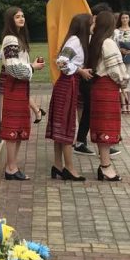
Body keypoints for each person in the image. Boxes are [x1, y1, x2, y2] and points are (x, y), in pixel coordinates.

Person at [0, 7, 43, 180]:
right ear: (11, 20)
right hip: (14, 86)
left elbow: (17, 63)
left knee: (18, 129)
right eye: (17, 17)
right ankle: (11, 167)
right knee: (13, 128)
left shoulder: (18, 38)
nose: (21, 19)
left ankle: (12, 165)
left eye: (23, 16)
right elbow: (12, 67)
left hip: (21, 86)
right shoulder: (10, 39)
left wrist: (31, 65)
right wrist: (32, 67)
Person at [47, 13, 92, 181]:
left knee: (62, 125)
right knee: (66, 125)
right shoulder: (75, 41)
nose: (93, 26)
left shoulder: (77, 40)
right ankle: (69, 168)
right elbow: (61, 61)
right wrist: (80, 70)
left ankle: (58, 165)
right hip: (67, 84)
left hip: (68, 84)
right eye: (91, 23)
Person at [74, 2, 118, 156]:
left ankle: (97, 142)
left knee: (91, 110)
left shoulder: (99, 36)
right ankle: (92, 142)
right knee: (91, 111)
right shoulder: (91, 36)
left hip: (92, 77)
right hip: (90, 77)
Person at [87, 10, 127, 181]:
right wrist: (124, 81)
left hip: (98, 86)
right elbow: (115, 69)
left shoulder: (94, 41)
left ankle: (105, 164)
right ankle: (105, 166)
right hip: (107, 86)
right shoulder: (108, 42)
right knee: (106, 126)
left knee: (102, 126)